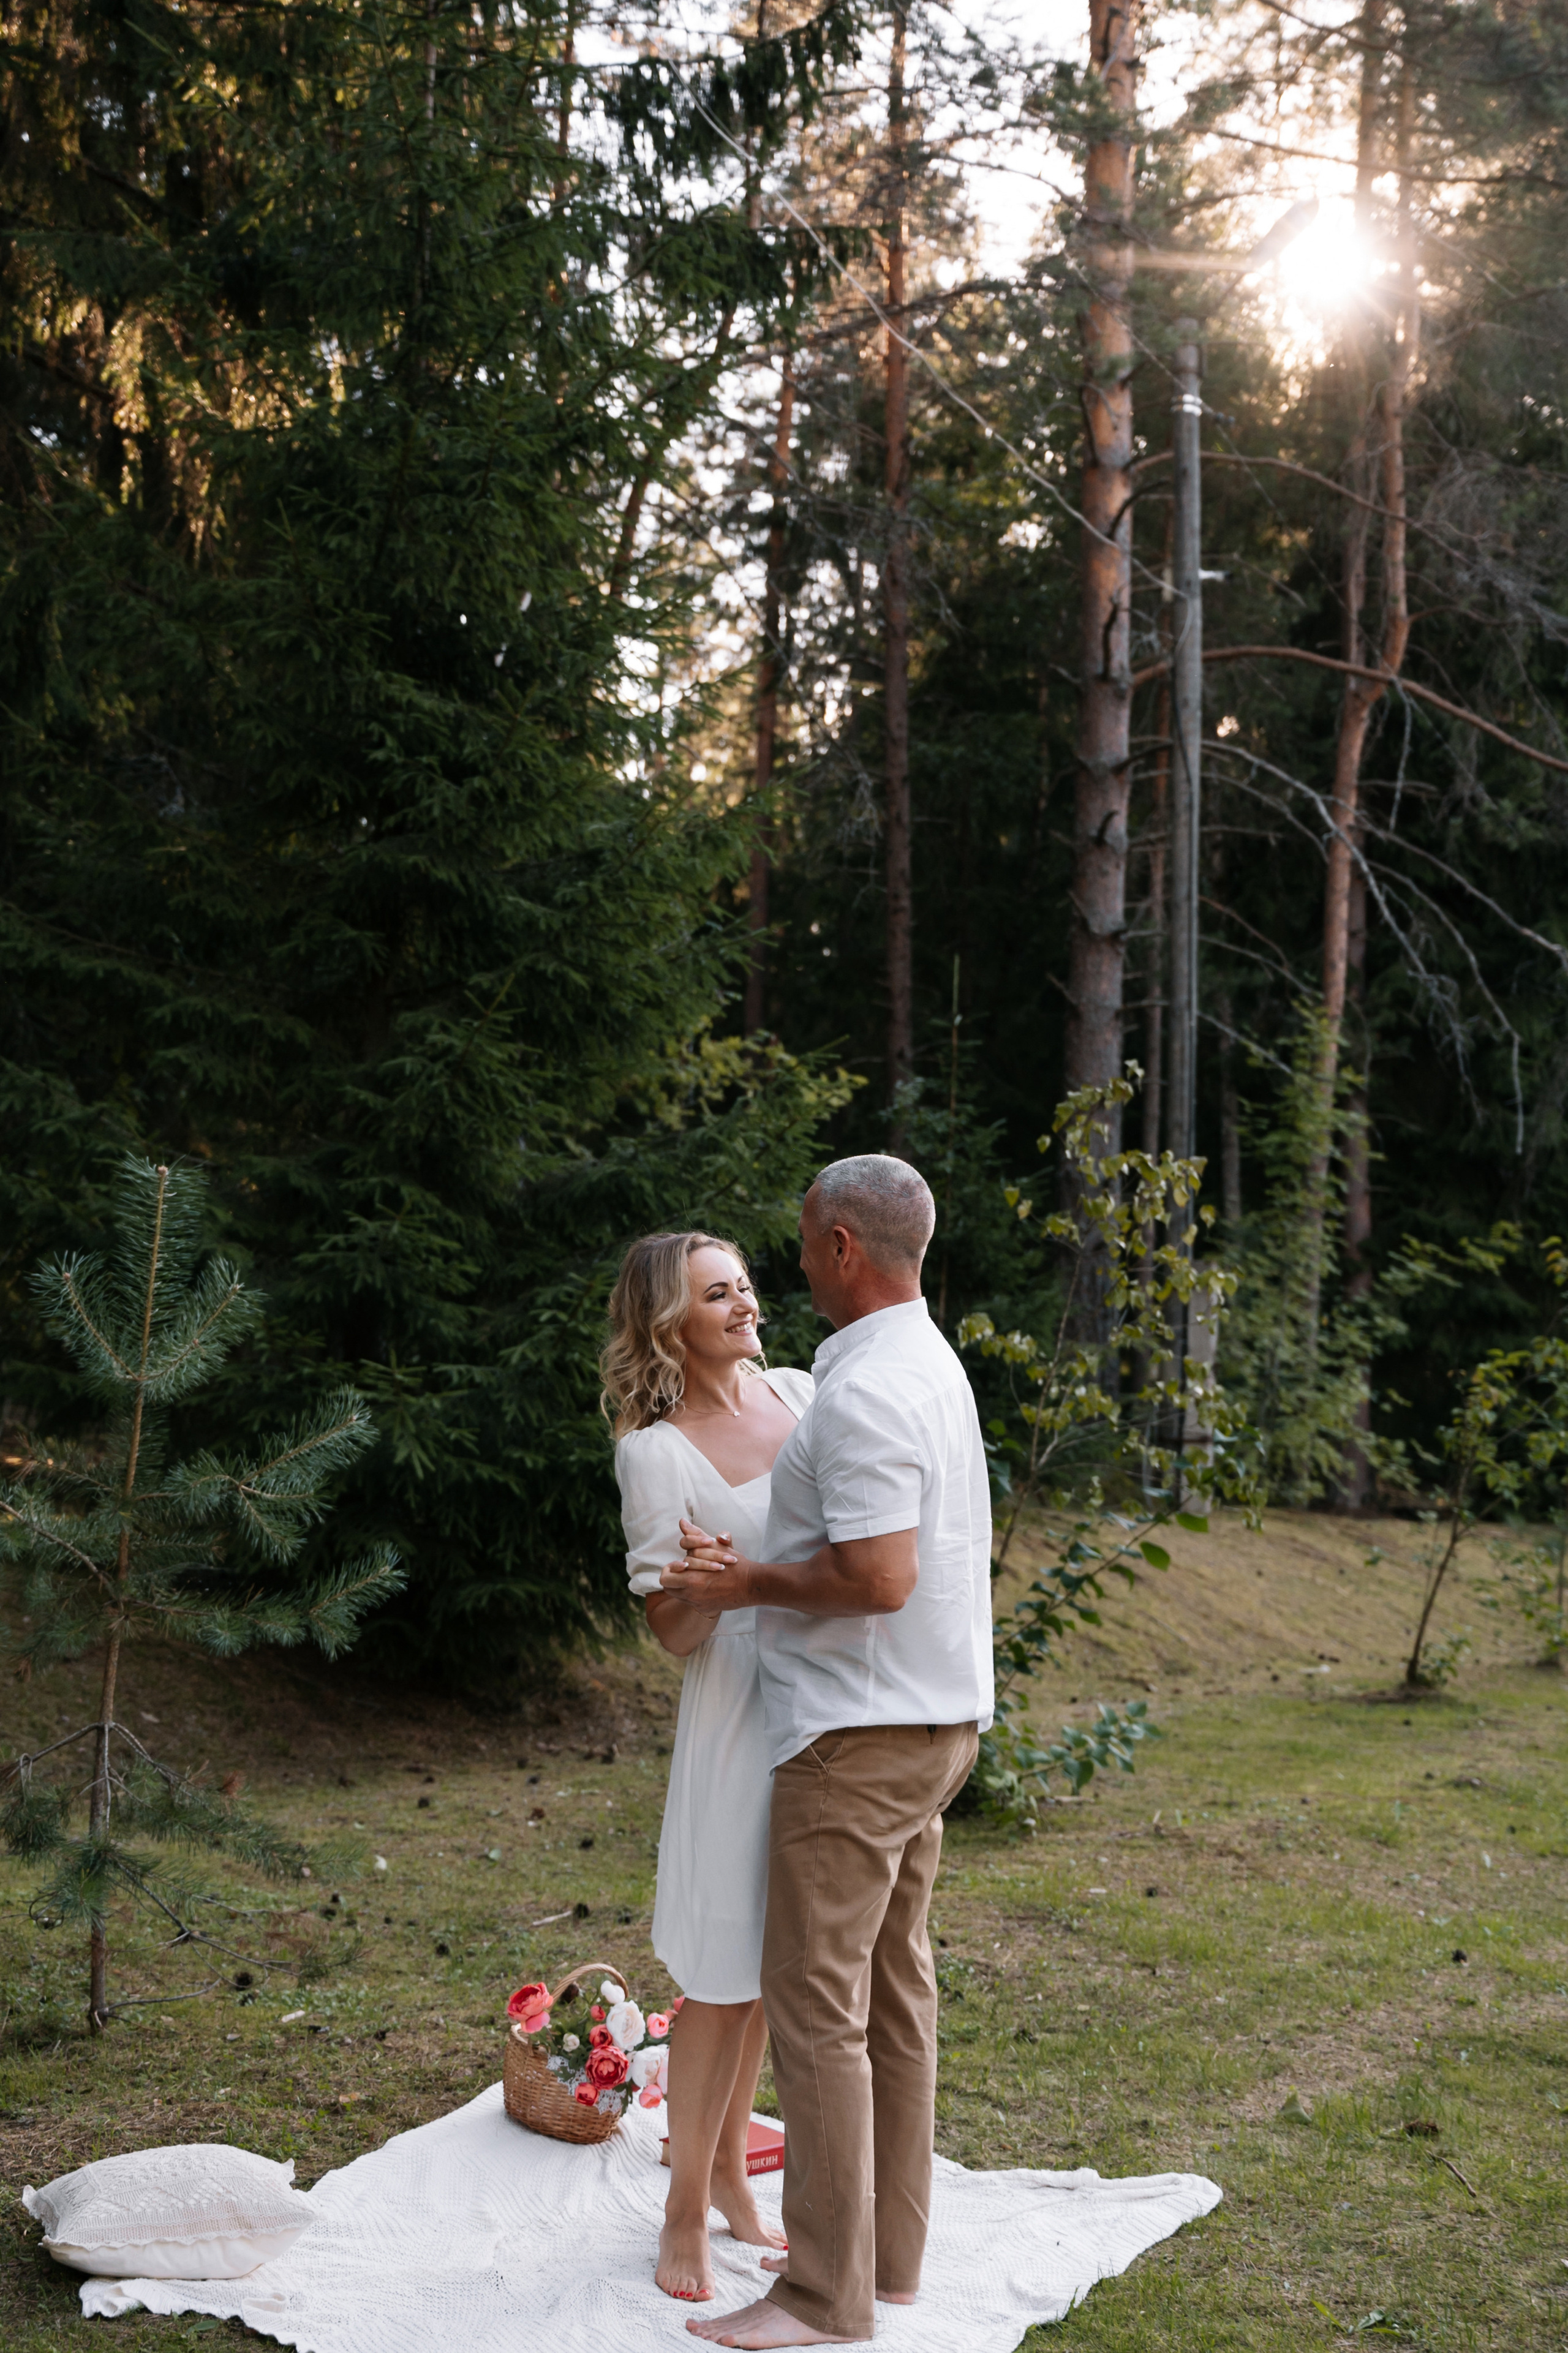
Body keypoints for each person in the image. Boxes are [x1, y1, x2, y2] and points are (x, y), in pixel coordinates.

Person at [662, 1154, 994, 2349]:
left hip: (856, 1740)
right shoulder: (924, 1363)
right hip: (933, 1722)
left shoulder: (859, 1392)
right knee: (894, 1995)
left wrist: (743, 1578)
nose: (792, 1263)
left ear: (845, 1246)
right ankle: (888, 2262)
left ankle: (819, 2295)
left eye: (803, 1241)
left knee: (815, 2013)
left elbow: (878, 1574)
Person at [605, 1230, 814, 2306]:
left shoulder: (804, 1391)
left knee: (779, 1963)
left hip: (825, 1702)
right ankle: (682, 2207)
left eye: (742, 1284)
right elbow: (670, 1635)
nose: (741, 1302)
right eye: (714, 1292)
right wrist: (700, 1587)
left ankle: (735, 2168)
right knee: (720, 1977)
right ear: (667, 1322)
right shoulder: (656, 1453)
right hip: (737, 1709)